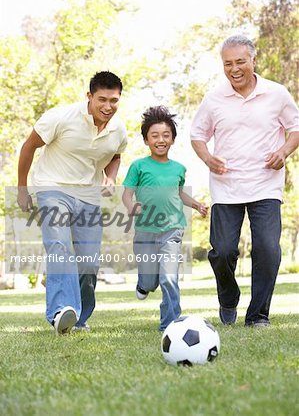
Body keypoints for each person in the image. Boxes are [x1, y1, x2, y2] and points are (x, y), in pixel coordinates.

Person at [190, 35, 299, 327]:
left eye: (240, 61)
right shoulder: (214, 98)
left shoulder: (276, 93)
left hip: (266, 185)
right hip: (226, 187)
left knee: (268, 248)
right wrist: (208, 159)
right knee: (223, 251)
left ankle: (258, 315)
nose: (234, 68)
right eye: (228, 63)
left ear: (253, 60)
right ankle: (228, 297)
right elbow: (197, 135)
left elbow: (295, 128)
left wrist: (284, 151)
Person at [17, 71, 127, 334]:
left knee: (89, 263)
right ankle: (59, 311)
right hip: (52, 188)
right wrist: (22, 188)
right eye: (102, 99)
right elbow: (28, 147)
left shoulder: (118, 129)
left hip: (88, 196)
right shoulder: (60, 117)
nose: (108, 106)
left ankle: (79, 318)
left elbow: (115, 156)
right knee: (59, 245)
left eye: (114, 100)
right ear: (89, 96)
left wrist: (110, 177)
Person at [122, 106, 208, 331]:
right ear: (146, 140)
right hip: (145, 231)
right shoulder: (138, 166)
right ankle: (143, 284)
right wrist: (132, 207)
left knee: (169, 278)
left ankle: (170, 324)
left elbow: (179, 193)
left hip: (172, 229)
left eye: (166, 135)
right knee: (151, 281)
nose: (160, 140)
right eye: (155, 135)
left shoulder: (179, 168)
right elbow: (127, 194)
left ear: (172, 139)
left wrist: (197, 204)